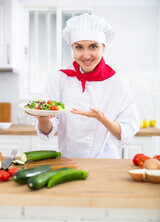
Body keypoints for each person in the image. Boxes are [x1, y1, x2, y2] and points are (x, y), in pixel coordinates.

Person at [35, 13, 140, 158]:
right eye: (79, 47)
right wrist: (42, 118)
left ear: (103, 48)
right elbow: (47, 130)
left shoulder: (118, 85)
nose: (86, 55)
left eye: (93, 47)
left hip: (105, 163)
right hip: (68, 161)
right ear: (72, 48)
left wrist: (102, 119)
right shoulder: (58, 79)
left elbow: (126, 134)